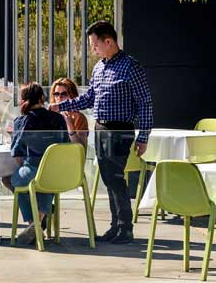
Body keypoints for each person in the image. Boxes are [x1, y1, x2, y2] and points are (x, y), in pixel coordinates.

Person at [51, 20, 153, 245]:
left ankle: (125, 228)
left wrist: (144, 136)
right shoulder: (99, 67)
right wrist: (61, 106)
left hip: (120, 129)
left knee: (115, 178)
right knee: (107, 178)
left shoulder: (130, 66)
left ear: (109, 41)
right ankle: (115, 226)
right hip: (100, 128)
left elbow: (145, 102)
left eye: (95, 44)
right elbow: (89, 99)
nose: (93, 49)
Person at [6, 83, 70, 245]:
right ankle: (41, 216)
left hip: (34, 172)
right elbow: (66, 146)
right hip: (58, 173)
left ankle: (35, 223)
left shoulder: (21, 121)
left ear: (22, 100)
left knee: (14, 179)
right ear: (42, 98)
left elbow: (17, 155)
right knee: (45, 179)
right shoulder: (58, 118)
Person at [51, 78, 89, 147]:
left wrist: (70, 124)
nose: (59, 97)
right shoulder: (50, 116)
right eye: (56, 94)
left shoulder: (79, 118)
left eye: (64, 94)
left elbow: (81, 148)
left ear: (73, 95)